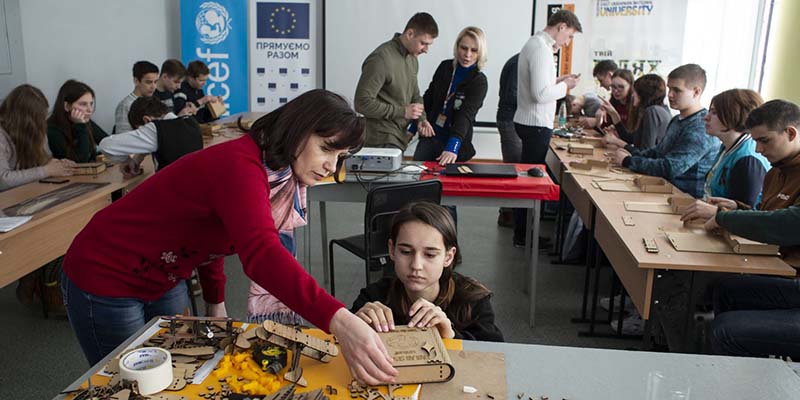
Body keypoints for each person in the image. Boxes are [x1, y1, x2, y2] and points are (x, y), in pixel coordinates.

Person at [61, 90, 399, 385]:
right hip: (105, 273)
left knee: (178, 376)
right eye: (327, 149)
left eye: (340, 157)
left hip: (165, 277)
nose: (330, 165)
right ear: (297, 130)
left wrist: (215, 298)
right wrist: (339, 320)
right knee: (133, 384)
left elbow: (210, 233)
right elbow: (262, 253)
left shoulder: (277, 173)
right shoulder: (241, 167)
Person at [705, 99, 800, 359]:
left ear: (791, 133)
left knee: (727, 331)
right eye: (755, 141)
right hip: (787, 273)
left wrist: (724, 217)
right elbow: (771, 217)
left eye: (765, 141)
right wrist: (738, 207)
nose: (757, 149)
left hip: (794, 278)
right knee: (727, 290)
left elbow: (789, 225)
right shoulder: (777, 172)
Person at [351, 202, 504, 342]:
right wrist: (353, 326)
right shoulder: (374, 296)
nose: (416, 265)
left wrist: (451, 336)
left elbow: (497, 353)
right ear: (392, 250)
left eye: (430, 255)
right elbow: (336, 341)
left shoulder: (472, 300)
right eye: (405, 251)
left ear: (448, 257)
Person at [512, 9, 581, 247]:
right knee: (531, 185)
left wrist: (559, 82)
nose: (568, 41)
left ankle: (523, 233)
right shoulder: (541, 48)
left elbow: (539, 88)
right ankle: (524, 236)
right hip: (535, 125)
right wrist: (567, 87)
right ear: (561, 26)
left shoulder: (536, 44)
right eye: (569, 35)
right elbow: (541, 94)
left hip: (529, 122)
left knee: (528, 180)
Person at [608, 64, 718, 198]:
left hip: (684, 200)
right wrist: (631, 153)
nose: (670, 95)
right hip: (663, 192)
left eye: (676, 90)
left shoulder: (701, 127)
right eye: (669, 89)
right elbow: (657, 152)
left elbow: (670, 168)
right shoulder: (677, 119)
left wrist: (628, 161)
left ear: (696, 92)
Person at [680, 89, 770, 224]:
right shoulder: (726, 147)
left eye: (714, 113)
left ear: (734, 115)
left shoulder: (747, 159)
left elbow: (746, 216)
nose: (706, 117)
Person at [354, 12, 438, 150]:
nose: (426, 50)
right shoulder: (381, 59)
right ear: (410, 34)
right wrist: (402, 111)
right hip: (380, 140)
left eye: (429, 45)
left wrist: (421, 119)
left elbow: (415, 95)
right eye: (423, 43)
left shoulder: (412, 59)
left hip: (400, 138)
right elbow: (361, 102)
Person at [412, 26, 488, 165]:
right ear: (457, 47)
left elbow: (466, 115)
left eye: (474, 50)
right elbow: (428, 99)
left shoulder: (479, 81)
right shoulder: (445, 67)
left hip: (456, 145)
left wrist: (452, 146)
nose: (468, 55)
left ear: (480, 53)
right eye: (464, 48)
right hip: (430, 137)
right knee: (416, 180)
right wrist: (412, 128)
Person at [0, 84, 76, 192]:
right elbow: (3, 180)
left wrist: (57, 164)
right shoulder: (2, 136)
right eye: (39, 118)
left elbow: (44, 160)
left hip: (26, 193)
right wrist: (46, 171)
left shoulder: (36, 127)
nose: (43, 123)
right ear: (25, 120)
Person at [98, 96, 202, 173]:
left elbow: (105, 145)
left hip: (171, 194)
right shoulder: (191, 121)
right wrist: (139, 157)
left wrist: (126, 160)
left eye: (141, 130)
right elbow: (160, 142)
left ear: (146, 120)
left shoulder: (156, 128)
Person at [601, 74, 671, 150]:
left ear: (643, 94)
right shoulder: (661, 109)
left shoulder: (652, 111)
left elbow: (644, 152)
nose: (633, 95)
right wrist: (614, 114)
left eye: (635, 92)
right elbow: (629, 138)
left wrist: (616, 141)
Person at [47, 80, 109, 163]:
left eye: (91, 104)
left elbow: (107, 142)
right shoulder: (52, 129)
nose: (90, 110)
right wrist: (80, 126)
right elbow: (80, 161)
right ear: (67, 106)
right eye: (83, 104)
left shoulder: (84, 121)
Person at [496, 53, 521, 227]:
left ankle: (511, 216)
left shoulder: (517, 60)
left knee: (514, 169)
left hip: (512, 120)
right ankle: (508, 216)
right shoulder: (518, 63)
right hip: (510, 120)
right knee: (514, 170)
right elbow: (511, 95)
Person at [114, 61, 159, 134]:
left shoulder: (155, 102)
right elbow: (122, 137)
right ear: (136, 81)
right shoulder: (125, 105)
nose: (153, 87)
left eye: (155, 82)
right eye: (149, 82)